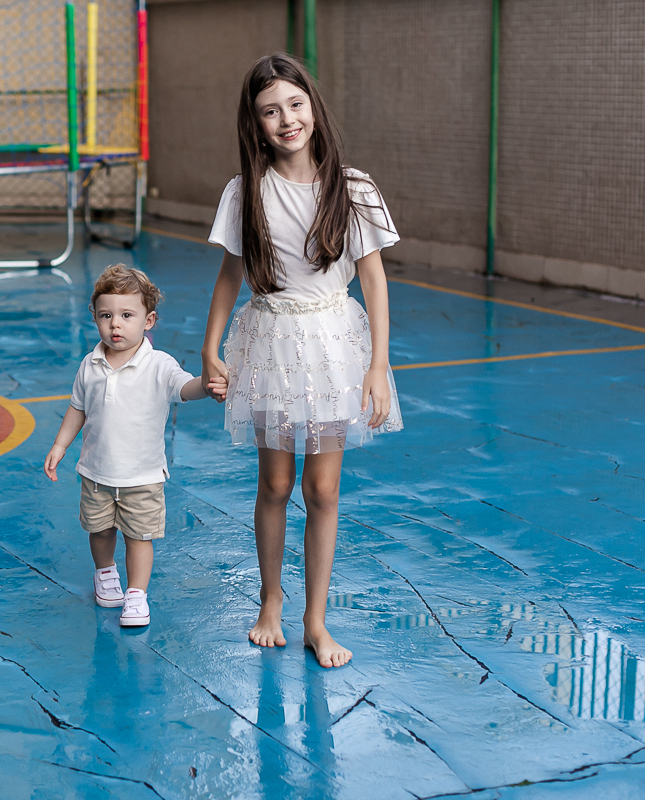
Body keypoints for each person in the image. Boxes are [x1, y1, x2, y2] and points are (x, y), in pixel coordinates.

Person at [200, 53, 403, 668]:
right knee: (276, 482)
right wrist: (210, 347)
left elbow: (374, 281)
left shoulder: (354, 186)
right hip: (272, 343)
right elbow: (230, 273)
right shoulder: (247, 190)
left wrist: (377, 364)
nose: (286, 119)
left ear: (312, 106)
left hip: (335, 347)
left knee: (323, 489)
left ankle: (316, 621)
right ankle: (270, 603)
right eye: (270, 111)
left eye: (294, 104)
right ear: (255, 123)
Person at [44, 265, 213, 627]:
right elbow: (77, 408)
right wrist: (60, 445)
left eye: (126, 315)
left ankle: (136, 594)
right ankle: (105, 573)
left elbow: (184, 388)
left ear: (149, 320)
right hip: (96, 471)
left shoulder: (159, 364)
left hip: (143, 475)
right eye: (106, 316)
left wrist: (207, 384)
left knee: (139, 537)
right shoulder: (89, 364)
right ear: (94, 316)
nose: (115, 325)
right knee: (100, 530)